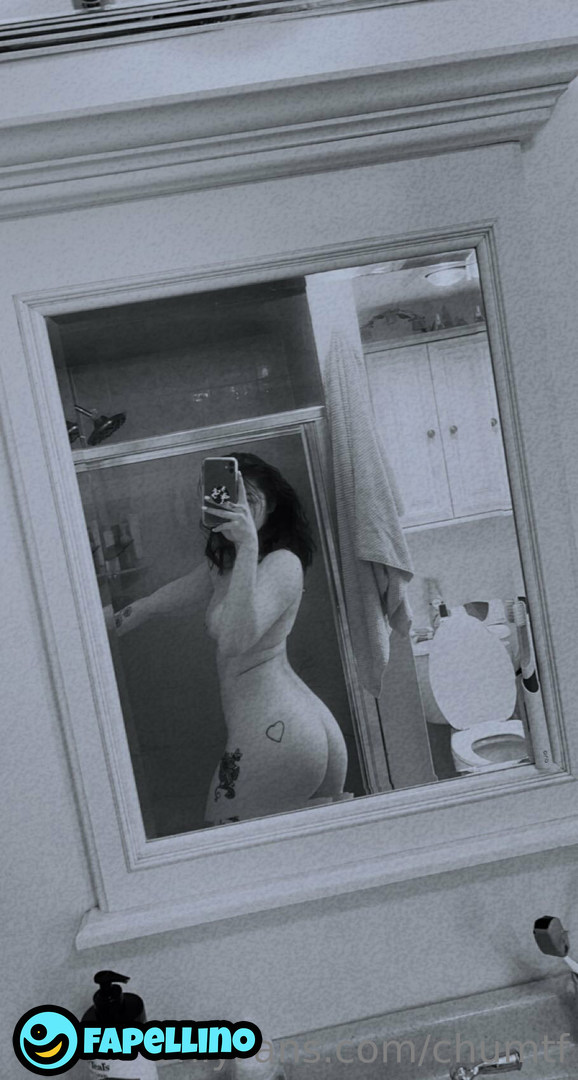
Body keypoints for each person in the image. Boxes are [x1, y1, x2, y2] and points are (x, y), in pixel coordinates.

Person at [106, 452, 349, 827]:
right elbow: (163, 600)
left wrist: (248, 546)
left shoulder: (282, 563)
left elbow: (235, 641)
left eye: (250, 499)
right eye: (231, 499)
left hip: (279, 730)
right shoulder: (226, 565)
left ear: (272, 504)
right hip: (284, 728)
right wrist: (107, 624)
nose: (241, 510)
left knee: (227, 839)